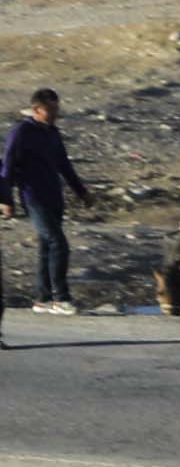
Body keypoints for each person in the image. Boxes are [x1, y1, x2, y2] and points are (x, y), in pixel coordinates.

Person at [2, 89, 100, 328]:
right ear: (36, 110)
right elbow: (7, 167)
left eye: (57, 109)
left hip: (54, 196)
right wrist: (6, 199)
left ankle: (42, 299)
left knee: (47, 246)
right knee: (58, 243)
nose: (55, 114)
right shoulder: (21, 132)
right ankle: (61, 298)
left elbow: (64, 166)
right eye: (51, 110)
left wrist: (82, 192)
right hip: (33, 197)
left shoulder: (53, 133)